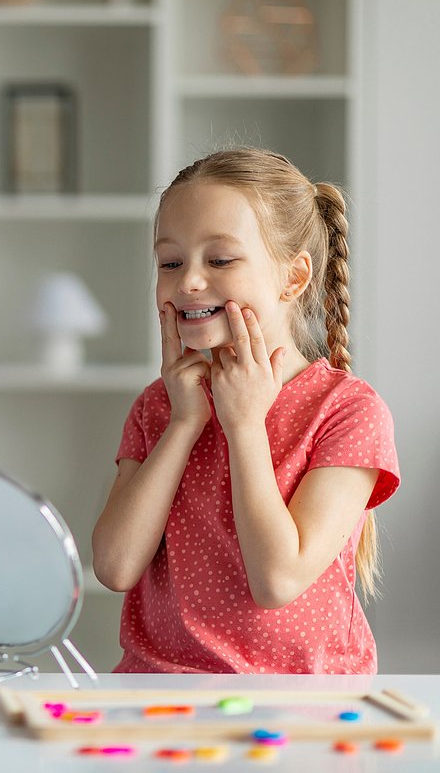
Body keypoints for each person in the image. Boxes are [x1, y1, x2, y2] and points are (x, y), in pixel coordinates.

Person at [91, 148, 399, 674]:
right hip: (159, 692)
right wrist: (185, 423)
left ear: (293, 278)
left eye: (220, 260)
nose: (187, 281)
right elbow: (116, 566)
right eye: (169, 262)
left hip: (301, 701)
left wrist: (244, 425)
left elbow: (277, 581)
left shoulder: (347, 410)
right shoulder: (160, 407)